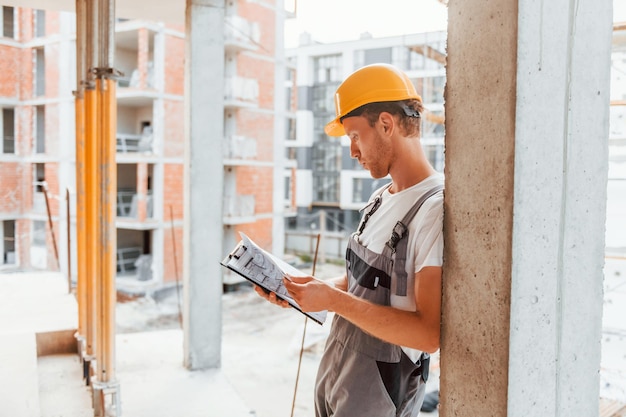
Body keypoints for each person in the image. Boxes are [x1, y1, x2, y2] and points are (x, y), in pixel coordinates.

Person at [255, 63, 444, 417]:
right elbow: (361, 284)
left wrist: (333, 300)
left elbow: (428, 334)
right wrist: (309, 291)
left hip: (380, 393)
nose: (352, 151)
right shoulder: (379, 199)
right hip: (339, 373)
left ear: (386, 124)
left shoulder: (432, 209)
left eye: (355, 136)